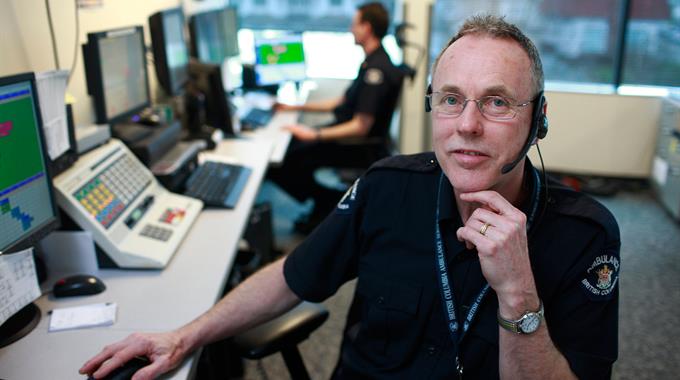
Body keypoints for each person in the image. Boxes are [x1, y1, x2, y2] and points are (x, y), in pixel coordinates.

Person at [80, 15, 620, 380]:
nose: (468, 126)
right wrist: (183, 336)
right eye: (451, 100)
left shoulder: (585, 235)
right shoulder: (386, 187)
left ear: (539, 119)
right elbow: (293, 276)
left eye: (497, 103)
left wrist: (519, 297)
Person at [268, 2, 404, 233]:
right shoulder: (371, 61)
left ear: (367, 28)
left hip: (359, 145)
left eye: (354, 25)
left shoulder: (377, 71)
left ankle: (329, 202)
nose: (351, 30)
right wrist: (293, 107)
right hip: (349, 137)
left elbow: (360, 127)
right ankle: (325, 204)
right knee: (290, 148)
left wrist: (315, 134)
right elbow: (339, 103)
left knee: (283, 161)